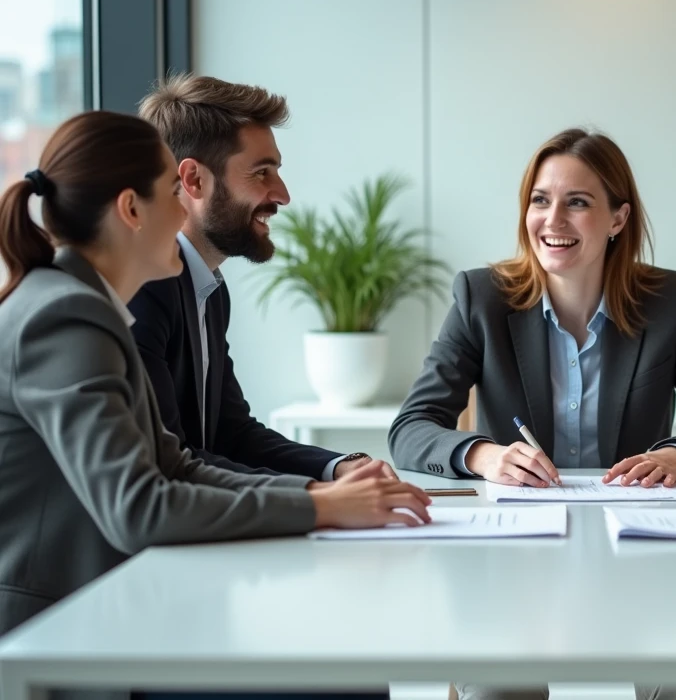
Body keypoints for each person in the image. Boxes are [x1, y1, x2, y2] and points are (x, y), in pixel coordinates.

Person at [0, 111, 430, 700]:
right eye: (173, 194)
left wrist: (321, 497)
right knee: (342, 683)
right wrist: (321, 510)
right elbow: (139, 508)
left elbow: (175, 464)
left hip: (107, 610)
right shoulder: (66, 317)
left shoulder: (88, 306)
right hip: (62, 632)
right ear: (131, 209)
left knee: (345, 670)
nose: (184, 215)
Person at [390, 127, 676, 700]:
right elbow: (411, 428)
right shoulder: (481, 298)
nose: (552, 219)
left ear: (617, 219)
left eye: (577, 202)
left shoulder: (670, 300)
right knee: (496, 690)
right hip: (515, 557)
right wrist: (483, 455)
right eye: (540, 200)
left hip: (639, 554)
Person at [129, 75, 385, 481]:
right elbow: (170, 460)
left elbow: (233, 436)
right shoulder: (142, 291)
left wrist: (338, 469)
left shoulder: (209, 291)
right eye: (262, 173)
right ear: (193, 179)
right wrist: (317, 496)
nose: (283, 194)